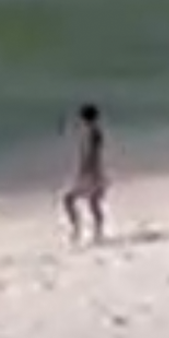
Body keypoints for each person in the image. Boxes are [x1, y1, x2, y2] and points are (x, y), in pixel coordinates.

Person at [62, 103, 108, 245]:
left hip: (90, 174)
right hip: (95, 173)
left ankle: (78, 229)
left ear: (83, 118)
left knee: (68, 199)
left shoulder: (92, 132)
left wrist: (83, 171)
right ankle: (96, 232)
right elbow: (94, 153)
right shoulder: (94, 131)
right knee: (92, 203)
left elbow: (90, 154)